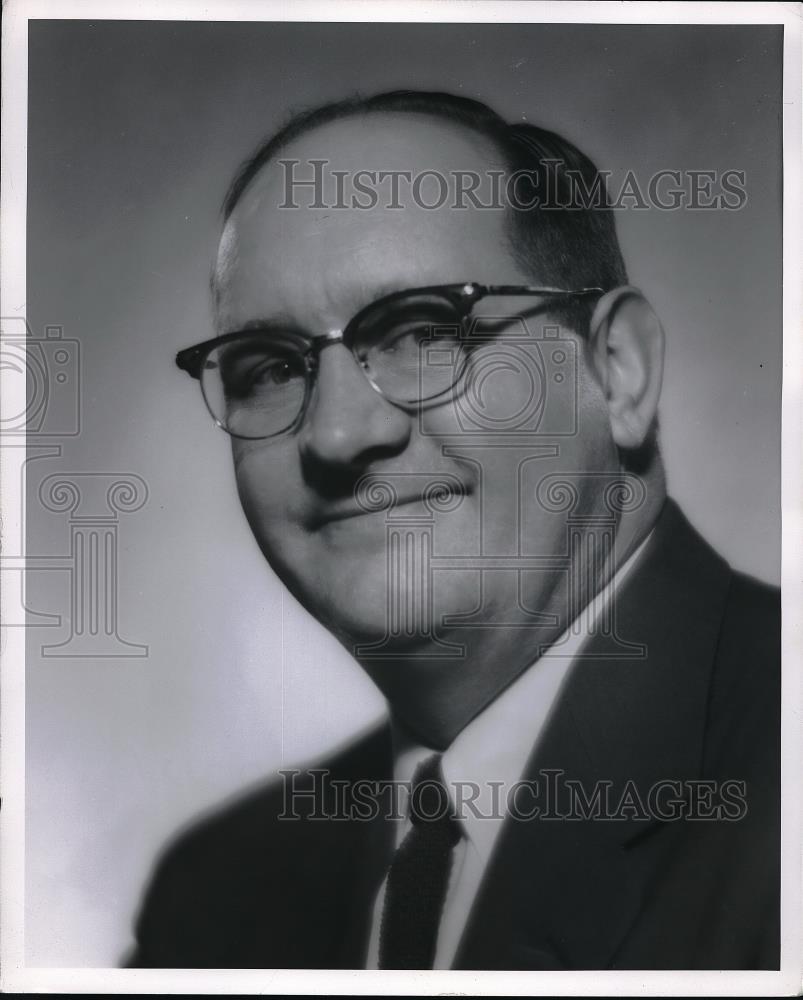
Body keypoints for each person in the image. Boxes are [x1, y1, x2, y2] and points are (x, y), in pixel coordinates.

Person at [128, 91, 780, 970]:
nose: (337, 433)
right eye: (271, 367)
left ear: (617, 371)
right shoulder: (217, 893)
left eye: (422, 329)